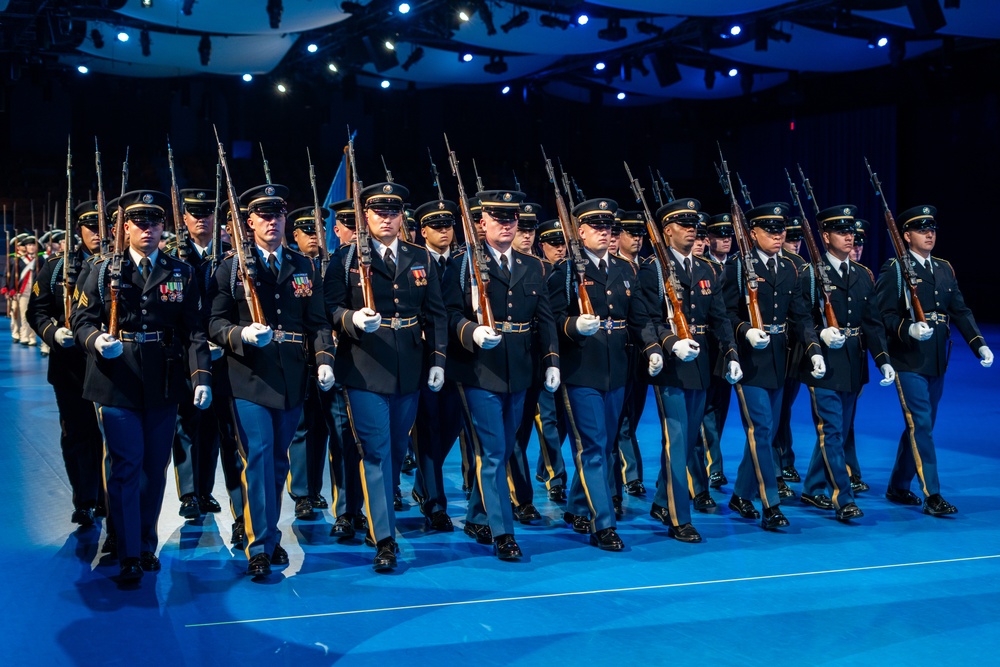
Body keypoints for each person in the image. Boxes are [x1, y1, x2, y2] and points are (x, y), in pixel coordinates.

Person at [73, 189, 212, 583]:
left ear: (163, 227)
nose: (147, 229)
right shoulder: (102, 269)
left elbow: (194, 331)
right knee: (126, 465)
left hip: (164, 380)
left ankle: (146, 543)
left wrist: (201, 377)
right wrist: (96, 340)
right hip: (116, 379)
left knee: (155, 467)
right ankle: (129, 550)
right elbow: (81, 318)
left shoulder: (180, 271)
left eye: (154, 221)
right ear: (125, 227)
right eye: (139, 222)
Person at [208, 184, 335, 578]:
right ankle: (259, 544)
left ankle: (269, 534)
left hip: (291, 377)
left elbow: (317, 322)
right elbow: (214, 322)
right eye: (264, 215)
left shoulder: (303, 266)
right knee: (260, 457)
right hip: (248, 376)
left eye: (278, 214)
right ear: (249, 223)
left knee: (279, 462)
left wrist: (324, 359)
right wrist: (240, 335)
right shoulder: (231, 269)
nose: (273, 222)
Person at [325, 181, 447, 571]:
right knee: (376, 452)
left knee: (396, 449)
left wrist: (438, 361)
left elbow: (437, 314)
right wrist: (350, 319)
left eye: (394, 213)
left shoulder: (419, 256)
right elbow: (329, 308)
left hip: (409, 367)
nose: (387, 219)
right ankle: (386, 538)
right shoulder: (345, 259)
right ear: (366, 217)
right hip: (363, 366)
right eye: (379, 212)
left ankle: (380, 520)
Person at [444, 189, 559, 558]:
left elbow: (545, 320)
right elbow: (447, 313)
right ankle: (502, 532)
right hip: (478, 369)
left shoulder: (531, 266)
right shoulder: (463, 264)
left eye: (512, 220)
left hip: (520, 369)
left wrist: (552, 361)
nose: (507, 225)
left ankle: (478, 516)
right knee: (493, 451)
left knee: (505, 447)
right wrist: (470, 331)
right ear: (482, 223)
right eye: (498, 219)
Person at [548, 198, 661, 551]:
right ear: (579, 231)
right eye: (596, 227)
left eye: (608, 227)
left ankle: (577, 506)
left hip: (618, 369)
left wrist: (653, 347)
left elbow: (640, 317)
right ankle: (603, 523)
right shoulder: (565, 272)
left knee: (606, 444)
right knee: (593, 446)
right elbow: (549, 320)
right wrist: (571, 326)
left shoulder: (627, 270)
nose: (604, 233)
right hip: (581, 369)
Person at [874, 205, 992, 516]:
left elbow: (960, 311)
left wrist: (978, 344)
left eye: (933, 229)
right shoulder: (895, 270)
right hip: (908, 360)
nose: (930, 234)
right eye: (922, 229)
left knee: (921, 426)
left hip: (938, 360)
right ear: (906, 235)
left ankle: (898, 485)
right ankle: (932, 495)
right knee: (921, 425)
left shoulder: (943, 268)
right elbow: (883, 315)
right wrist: (907, 328)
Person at [640, 199, 741, 542]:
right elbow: (648, 318)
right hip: (671, 365)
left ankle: (660, 500)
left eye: (693, 223)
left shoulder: (707, 269)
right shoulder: (652, 268)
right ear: (667, 230)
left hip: (700, 364)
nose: (691, 228)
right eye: (683, 224)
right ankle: (678, 518)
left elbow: (720, 318)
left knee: (687, 441)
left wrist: (731, 353)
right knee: (678, 440)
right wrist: (668, 343)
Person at [723, 202, 819, 530]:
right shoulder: (737, 267)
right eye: (770, 231)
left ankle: (740, 494)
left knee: (767, 431)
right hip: (750, 361)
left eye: (781, 231)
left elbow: (801, 313)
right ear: (752, 234)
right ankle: (770, 503)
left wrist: (814, 348)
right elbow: (725, 313)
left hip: (780, 358)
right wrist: (745, 331)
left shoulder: (791, 267)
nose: (778, 236)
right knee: (762, 428)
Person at [796, 205, 894, 521]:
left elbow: (873, 323)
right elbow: (802, 318)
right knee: (833, 431)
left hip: (853, 364)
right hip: (823, 362)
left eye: (851, 231)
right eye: (841, 231)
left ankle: (812, 488)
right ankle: (843, 497)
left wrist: (882, 360)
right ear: (825, 236)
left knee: (835, 431)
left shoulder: (863, 275)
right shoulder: (810, 274)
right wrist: (819, 335)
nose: (849, 237)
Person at [27, 201, 104, 527]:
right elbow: (36, 310)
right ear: (78, 230)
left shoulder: (115, 266)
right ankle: (85, 499)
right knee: (77, 434)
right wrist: (53, 332)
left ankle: (108, 496)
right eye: (91, 228)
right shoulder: (57, 268)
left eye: (104, 226)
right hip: (70, 366)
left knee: (113, 437)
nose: (99, 234)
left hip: (109, 366)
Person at [170, 188, 228, 520]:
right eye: (195, 214)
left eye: (208, 213)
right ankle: (189, 492)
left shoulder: (229, 255)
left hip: (223, 352)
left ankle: (205, 490)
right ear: (185, 219)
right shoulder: (173, 258)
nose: (202, 219)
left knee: (214, 426)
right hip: (187, 352)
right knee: (186, 422)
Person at [410, 197, 464, 531]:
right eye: (437, 226)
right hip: (422, 357)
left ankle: (423, 481)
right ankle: (435, 504)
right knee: (428, 429)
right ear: (423, 231)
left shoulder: (463, 262)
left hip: (459, 358)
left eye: (448, 225)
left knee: (451, 428)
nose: (445, 231)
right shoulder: (413, 261)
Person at [283, 206, 334, 519]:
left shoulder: (334, 265)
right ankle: (302, 493)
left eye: (320, 231)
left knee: (323, 428)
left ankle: (315, 489)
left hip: (332, 356)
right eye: (309, 232)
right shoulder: (294, 267)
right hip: (301, 355)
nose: (317, 238)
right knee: (302, 427)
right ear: (296, 236)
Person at [324, 199, 368, 539]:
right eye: (348, 226)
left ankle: (367, 507)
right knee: (343, 439)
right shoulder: (338, 261)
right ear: (337, 229)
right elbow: (327, 312)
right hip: (344, 360)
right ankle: (345, 510)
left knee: (371, 444)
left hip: (376, 365)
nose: (355, 233)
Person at [696, 213, 736, 489]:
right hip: (704, 347)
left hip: (727, 349)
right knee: (705, 409)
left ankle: (711, 460)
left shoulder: (737, 267)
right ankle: (712, 466)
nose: (725, 239)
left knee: (720, 408)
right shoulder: (702, 267)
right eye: (719, 235)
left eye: (728, 235)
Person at [612, 210, 649, 499]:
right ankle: (628, 474)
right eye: (630, 234)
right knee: (620, 416)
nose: (637, 239)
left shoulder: (649, 267)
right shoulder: (614, 268)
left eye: (640, 234)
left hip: (644, 352)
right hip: (620, 349)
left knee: (633, 413)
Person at [773, 214, 808, 494]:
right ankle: (777, 468)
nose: (792, 242)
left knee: (784, 409)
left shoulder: (799, 267)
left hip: (794, 349)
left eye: (796, 237)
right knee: (774, 412)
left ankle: (785, 460)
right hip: (771, 347)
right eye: (789, 237)